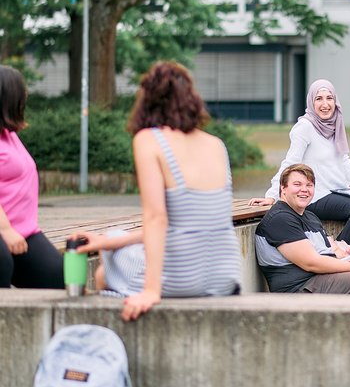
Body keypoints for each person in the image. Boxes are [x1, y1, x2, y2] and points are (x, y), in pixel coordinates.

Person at [74, 61, 241, 321]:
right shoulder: (216, 145)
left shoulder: (149, 140)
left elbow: (156, 218)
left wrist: (152, 291)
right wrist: (106, 241)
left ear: (147, 99)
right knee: (114, 238)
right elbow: (186, 222)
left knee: (103, 273)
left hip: (180, 278)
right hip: (226, 277)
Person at [249, 79, 350, 245]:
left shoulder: (334, 124)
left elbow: (343, 159)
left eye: (329, 98)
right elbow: (290, 163)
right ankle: (337, 252)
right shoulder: (305, 127)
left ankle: (340, 245)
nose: (325, 104)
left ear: (335, 101)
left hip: (336, 191)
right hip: (315, 195)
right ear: (311, 102)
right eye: (319, 99)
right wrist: (272, 196)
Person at [255, 163, 350, 295]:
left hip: (322, 277)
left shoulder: (310, 217)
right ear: (283, 188)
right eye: (297, 184)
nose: (304, 189)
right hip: (299, 287)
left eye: (309, 185)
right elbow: (311, 263)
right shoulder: (280, 218)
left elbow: (332, 249)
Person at [0, 65, 63, 289]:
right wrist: (5, 230)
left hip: (24, 231)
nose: (25, 95)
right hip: (4, 229)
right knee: (2, 264)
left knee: (57, 275)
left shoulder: (9, 135)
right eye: (21, 91)